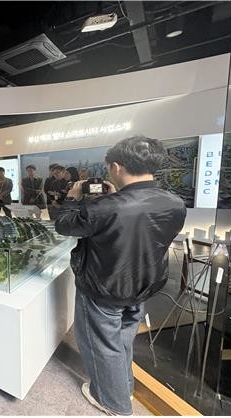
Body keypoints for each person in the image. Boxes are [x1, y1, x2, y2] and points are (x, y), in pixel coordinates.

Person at [54, 136, 186, 416]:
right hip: (143, 285)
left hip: (104, 286)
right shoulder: (175, 203)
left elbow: (64, 225)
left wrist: (72, 198)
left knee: (102, 344)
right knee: (123, 339)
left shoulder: (106, 206)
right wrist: (115, 195)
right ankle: (123, 387)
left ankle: (113, 403)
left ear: (116, 166)